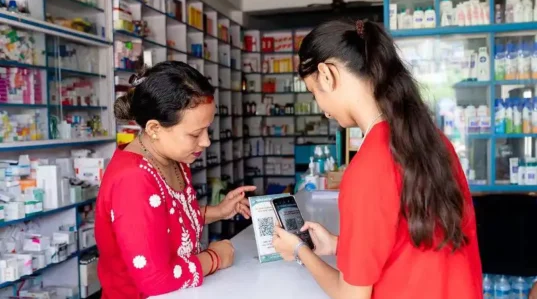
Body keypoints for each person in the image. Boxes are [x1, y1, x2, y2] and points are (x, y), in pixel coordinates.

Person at [272, 19, 482, 299]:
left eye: (314, 93)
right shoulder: (433, 141)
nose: (323, 110)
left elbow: (351, 295)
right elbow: (412, 240)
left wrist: (300, 252)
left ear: (326, 75)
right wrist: (339, 245)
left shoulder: (369, 166)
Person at [95, 61, 256, 299]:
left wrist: (218, 211)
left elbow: (168, 218)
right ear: (154, 129)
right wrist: (215, 258)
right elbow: (156, 281)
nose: (206, 142)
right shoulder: (133, 180)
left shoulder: (174, 158)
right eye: (194, 134)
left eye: (207, 129)